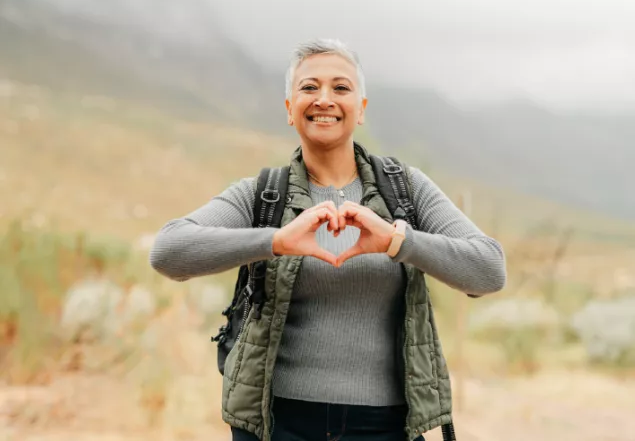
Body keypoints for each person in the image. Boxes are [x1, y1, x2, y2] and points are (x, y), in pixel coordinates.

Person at [149, 38, 507, 441]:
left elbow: (489, 270)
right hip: (277, 425)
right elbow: (168, 251)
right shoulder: (264, 194)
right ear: (289, 109)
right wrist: (276, 241)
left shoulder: (406, 190)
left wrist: (397, 241)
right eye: (308, 87)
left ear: (362, 109)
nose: (324, 99)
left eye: (340, 87)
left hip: (386, 427)